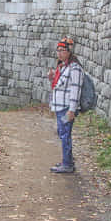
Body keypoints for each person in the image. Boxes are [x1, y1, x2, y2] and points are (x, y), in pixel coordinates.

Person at [48, 36, 83, 173]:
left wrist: (72, 110)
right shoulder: (63, 67)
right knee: (62, 132)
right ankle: (67, 160)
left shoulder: (75, 68)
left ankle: (67, 164)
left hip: (67, 108)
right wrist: (51, 78)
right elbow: (58, 86)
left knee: (64, 133)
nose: (59, 53)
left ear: (69, 52)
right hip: (60, 107)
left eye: (62, 50)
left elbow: (76, 89)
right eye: (58, 50)